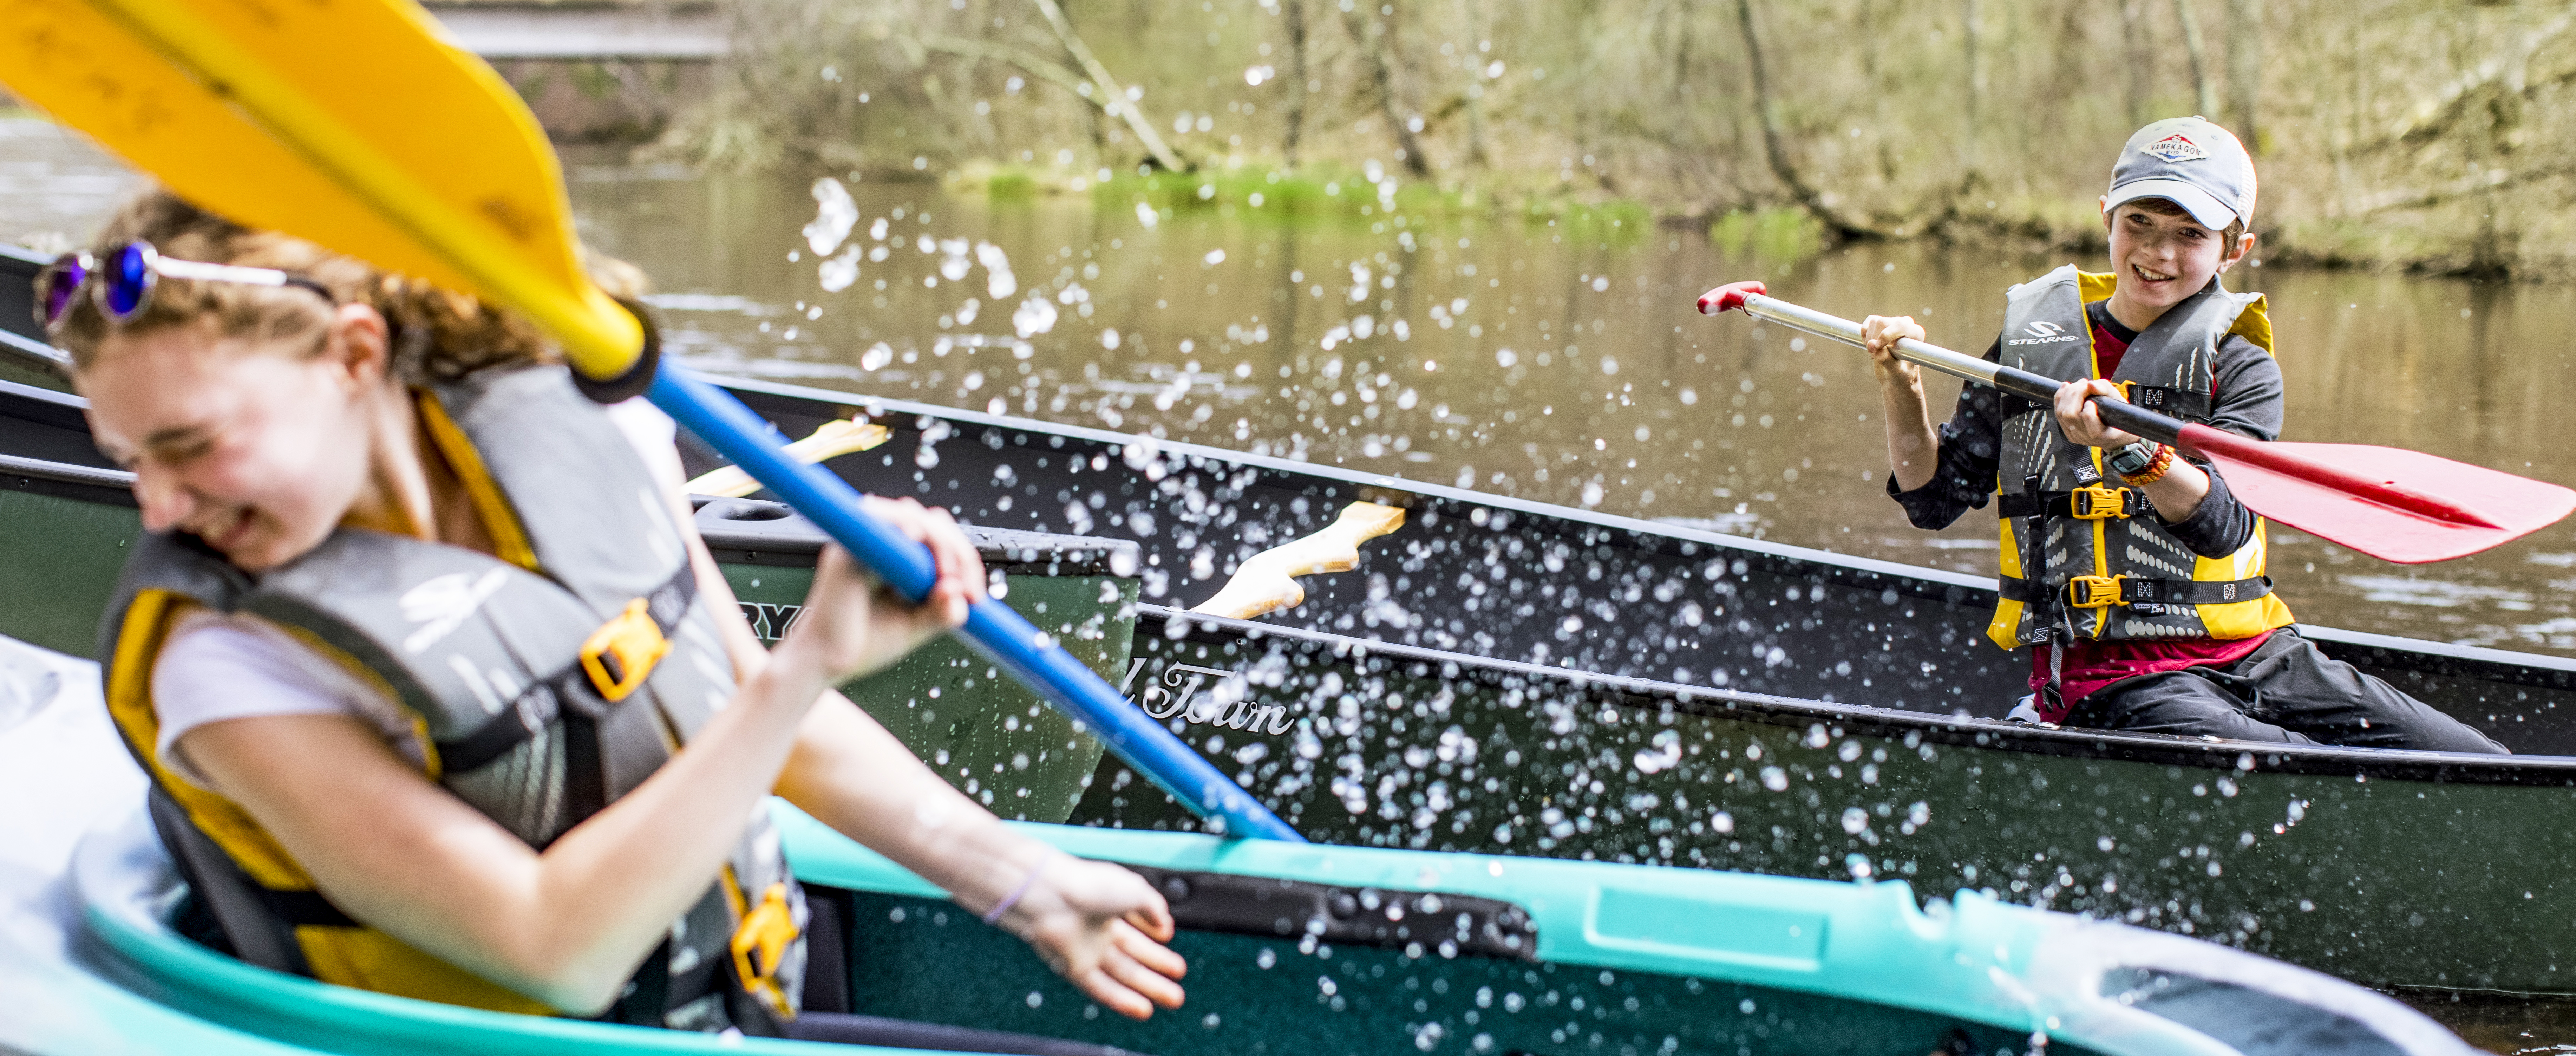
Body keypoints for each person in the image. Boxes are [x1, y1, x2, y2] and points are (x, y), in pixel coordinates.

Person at [53, 189, 1190, 1041]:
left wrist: (1026, 884)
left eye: (190, 445)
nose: (157, 503)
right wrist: (807, 666)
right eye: (127, 458)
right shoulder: (228, 661)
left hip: (746, 1003)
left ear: (355, 353)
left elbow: (742, 718)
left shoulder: (594, 432)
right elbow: (554, 951)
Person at [1857, 117, 2505, 754]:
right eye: (2139, 222)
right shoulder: (2032, 347)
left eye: (2189, 234)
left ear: (2235, 248)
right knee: (2311, 771)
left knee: (2473, 761)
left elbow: (2224, 526)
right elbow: (1932, 500)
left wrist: (2129, 447)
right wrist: (1901, 385)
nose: (2156, 253)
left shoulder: (2241, 363)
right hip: (2109, 677)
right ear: (2106, 215)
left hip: (2258, 656)